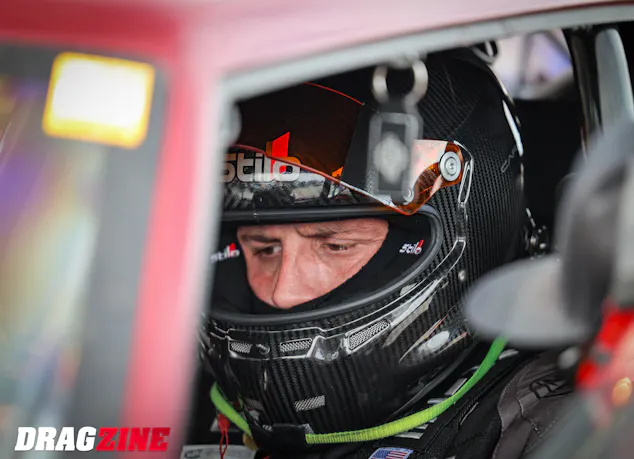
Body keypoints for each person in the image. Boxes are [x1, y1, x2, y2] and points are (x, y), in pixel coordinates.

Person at [200, 48, 571, 459]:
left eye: (336, 245)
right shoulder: (168, 392)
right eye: (265, 248)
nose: (283, 292)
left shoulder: (550, 427)